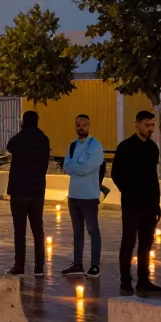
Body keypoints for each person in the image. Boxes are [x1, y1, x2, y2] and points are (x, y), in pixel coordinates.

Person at [111, 110, 161, 295]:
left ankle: (144, 280)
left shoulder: (152, 148)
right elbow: (116, 175)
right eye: (147, 125)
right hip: (132, 204)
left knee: (146, 244)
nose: (150, 129)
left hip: (149, 205)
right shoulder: (125, 147)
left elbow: (152, 178)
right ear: (137, 124)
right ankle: (125, 280)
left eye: (152, 125)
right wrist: (130, 192)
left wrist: (156, 204)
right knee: (128, 242)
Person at [5, 110, 51, 277]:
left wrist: (23, 131)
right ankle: (39, 267)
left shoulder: (20, 139)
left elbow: (9, 145)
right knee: (38, 229)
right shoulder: (44, 139)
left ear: (24, 122)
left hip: (19, 190)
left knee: (20, 230)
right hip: (37, 190)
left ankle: (20, 266)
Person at [62, 114, 104, 279]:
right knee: (77, 231)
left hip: (90, 196)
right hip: (73, 195)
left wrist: (75, 166)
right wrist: (77, 165)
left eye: (84, 125)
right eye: (78, 125)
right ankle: (77, 264)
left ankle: (95, 265)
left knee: (93, 230)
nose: (81, 128)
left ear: (89, 125)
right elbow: (67, 167)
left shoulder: (95, 146)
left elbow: (88, 168)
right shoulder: (72, 146)